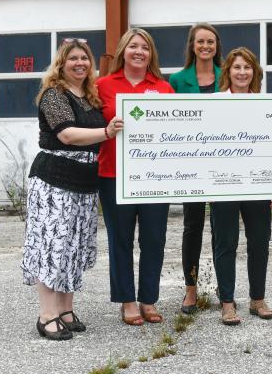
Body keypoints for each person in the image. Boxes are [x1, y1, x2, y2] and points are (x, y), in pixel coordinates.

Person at [21, 39, 123, 340]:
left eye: (84, 58)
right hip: (55, 181)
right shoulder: (54, 94)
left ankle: (65, 310)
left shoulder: (89, 95)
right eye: (73, 58)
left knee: (73, 247)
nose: (80, 63)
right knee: (53, 246)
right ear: (61, 63)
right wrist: (106, 132)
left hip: (83, 183)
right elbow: (66, 135)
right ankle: (47, 315)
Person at [97, 28, 174, 326]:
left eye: (145, 47)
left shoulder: (164, 88)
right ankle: (127, 301)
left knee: (154, 239)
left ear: (151, 54)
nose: (139, 51)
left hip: (156, 177)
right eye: (133, 46)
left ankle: (148, 299)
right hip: (113, 174)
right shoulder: (102, 85)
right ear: (123, 52)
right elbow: (93, 125)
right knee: (121, 239)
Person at [210, 47, 272, 325]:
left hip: (258, 183)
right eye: (237, 67)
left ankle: (257, 299)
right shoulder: (213, 102)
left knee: (259, 242)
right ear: (228, 71)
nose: (242, 72)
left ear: (254, 73)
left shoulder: (264, 104)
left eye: (247, 67)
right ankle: (227, 302)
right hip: (223, 184)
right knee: (226, 243)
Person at [168, 22, 223, 314]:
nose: (205, 46)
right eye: (200, 41)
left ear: (217, 47)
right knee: (193, 227)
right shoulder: (177, 80)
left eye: (210, 42)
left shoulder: (227, 76)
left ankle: (222, 290)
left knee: (222, 227)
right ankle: (191, 290)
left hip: (224, 160)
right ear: (192, 45)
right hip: (191, 164)